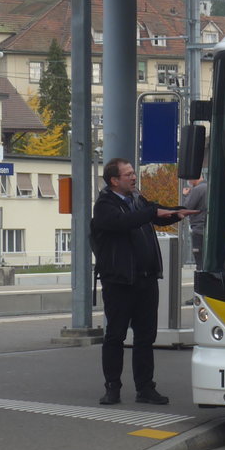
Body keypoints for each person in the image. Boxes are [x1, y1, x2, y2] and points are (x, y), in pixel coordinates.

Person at [91, 158, 199, 406]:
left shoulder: (137, 199)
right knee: (115, 336)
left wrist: (177, 212)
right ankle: (112, 388)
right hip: (119, 282)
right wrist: (152, 212)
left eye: (133, 173)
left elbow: (155, 213)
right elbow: (125, 222)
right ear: (114, 180)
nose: (133, 177)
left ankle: (145, 388)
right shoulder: (105, 205)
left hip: (145, 280)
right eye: (128, 174)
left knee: (144, 337)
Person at [184, 175, 208, 270]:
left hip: (198, 229)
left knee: (199, 260)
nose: (189, 181)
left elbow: (187, 207)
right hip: (207, 229)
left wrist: (186, 195)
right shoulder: (209, 187)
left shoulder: (197, 189)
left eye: (189, 179)